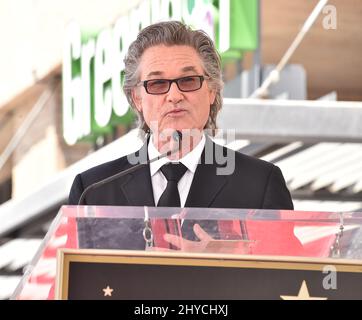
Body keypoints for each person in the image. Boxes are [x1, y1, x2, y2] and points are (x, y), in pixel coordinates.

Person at [68, 21, 294, 250]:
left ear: (212, 91)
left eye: (188, 81)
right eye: (157, 84)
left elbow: (292, 276)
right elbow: (68, 279)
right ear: (137, 98)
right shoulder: (94, 191)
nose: (174, 95)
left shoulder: (259, 184)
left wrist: (235, 258)